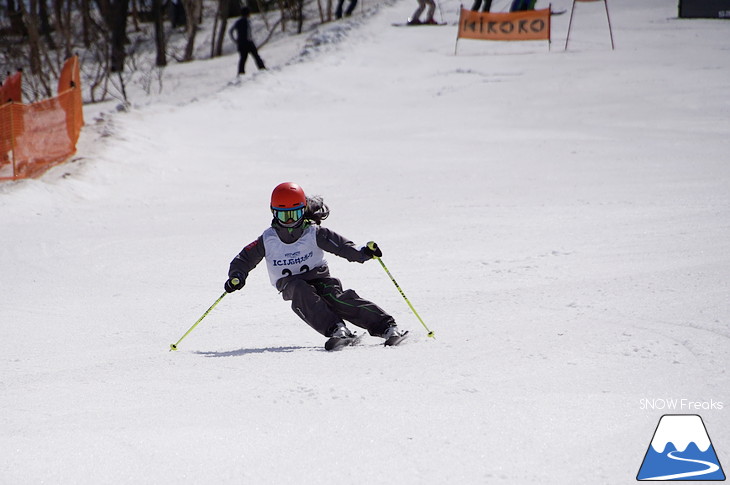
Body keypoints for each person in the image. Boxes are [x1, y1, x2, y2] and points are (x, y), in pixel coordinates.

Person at [224, 182, 405, 348]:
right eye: (282, 215)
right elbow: (244, 258)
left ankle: (386, 327)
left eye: (294, 215)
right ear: (273, 212)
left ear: (303, 210)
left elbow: (342, 246)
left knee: (336, 297)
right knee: (300, 290)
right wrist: (237, 276)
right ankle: (337, 329)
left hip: (318, 276)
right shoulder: (267, 239)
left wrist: (363, 252)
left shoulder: (313, 232)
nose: (289, 221)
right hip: (289, 283)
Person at [229, 6, 266, 75]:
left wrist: (235, 40)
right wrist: (250, 40)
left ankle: (241, 72)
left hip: (240, 43)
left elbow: (230, 31)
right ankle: (262, 69)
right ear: (248, 13)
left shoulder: (238, 22)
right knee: (256, 56)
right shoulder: (247, 21)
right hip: (248, 42)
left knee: (243, 58)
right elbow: (248, 32)